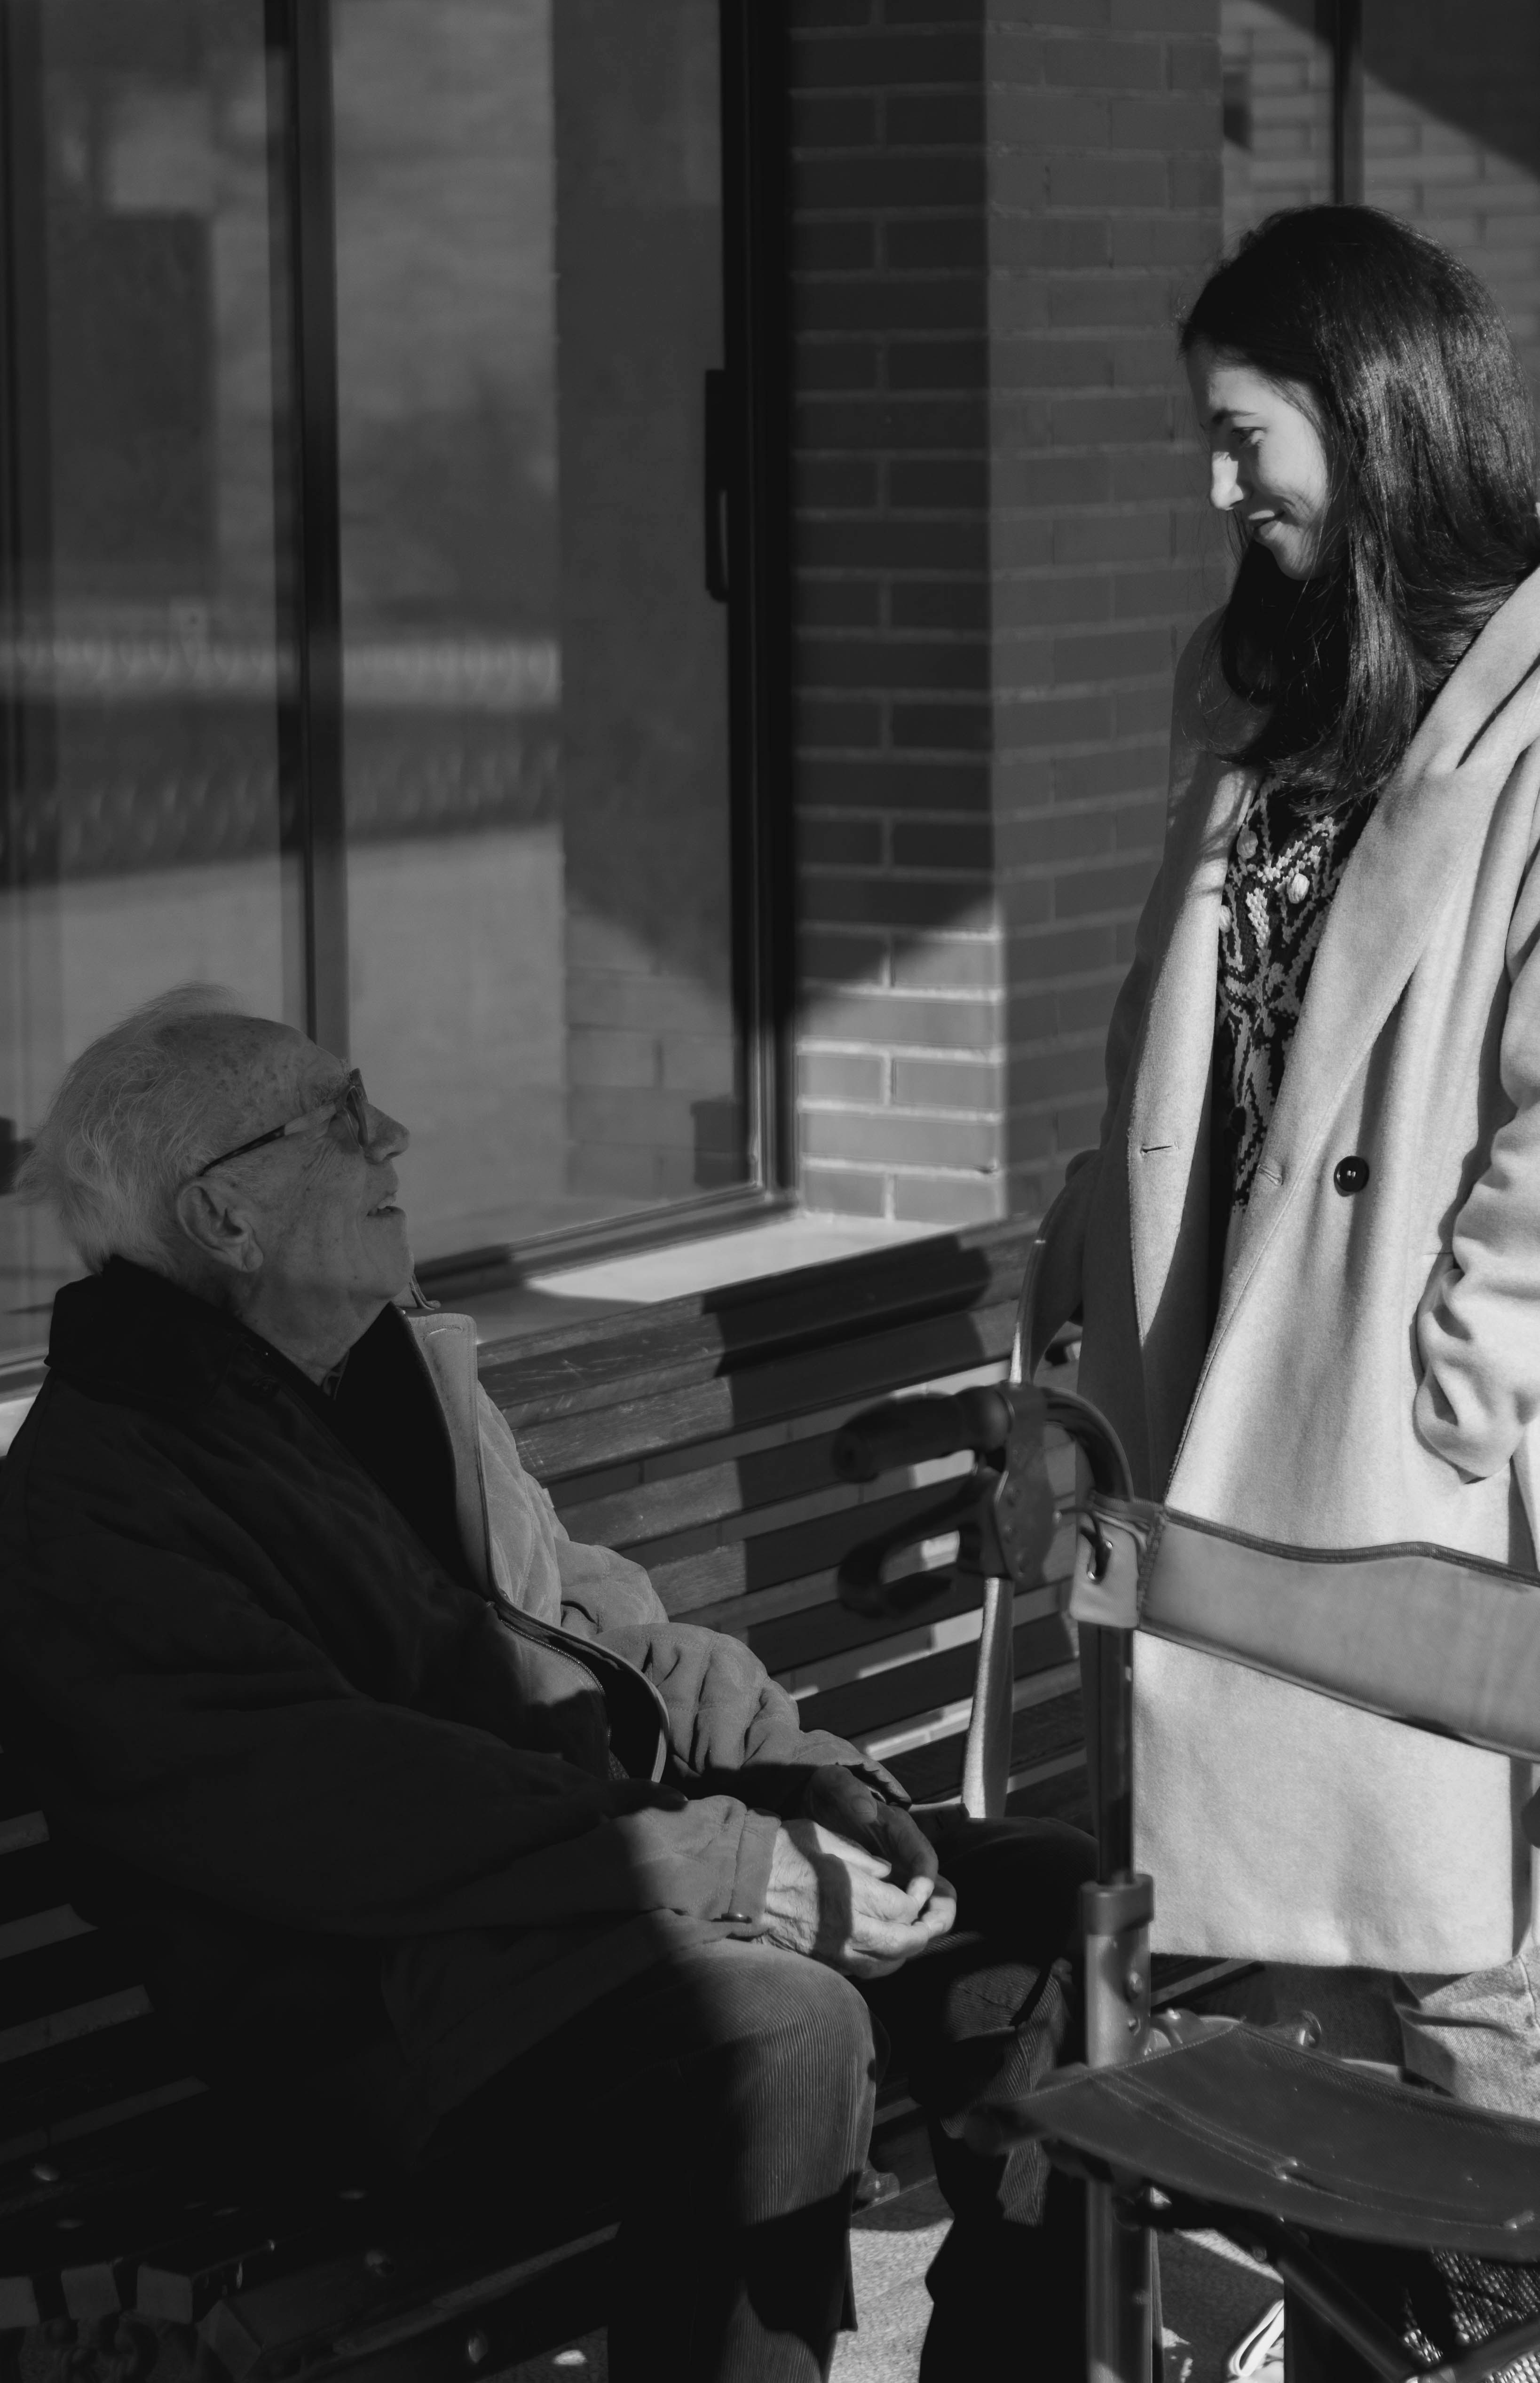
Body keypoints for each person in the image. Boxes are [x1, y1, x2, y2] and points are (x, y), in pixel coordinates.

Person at [0, 987, 1096, 2383]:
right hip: (381, 2027)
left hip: (575, 1925)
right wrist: (724, 1865)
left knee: (1041, 1897)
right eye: (341, 1118)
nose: (391, 1138)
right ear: (226, 1219)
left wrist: (812, 1778)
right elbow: (363, 1815)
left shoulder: (385, 1372)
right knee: (773, 2028)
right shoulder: (97, 1510)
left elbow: (607, 1633)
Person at [1029, 203, 1540, 2075]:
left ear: (1373, 409)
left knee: (1461, 1965)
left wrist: (1448, 1397)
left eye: (1247, 430)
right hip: (1218, 1381)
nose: (1216, 474)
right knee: (1275, 1958)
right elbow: (1184, 1035)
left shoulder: (1535, 716)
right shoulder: (1246, 680)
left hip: (1407, 1451)